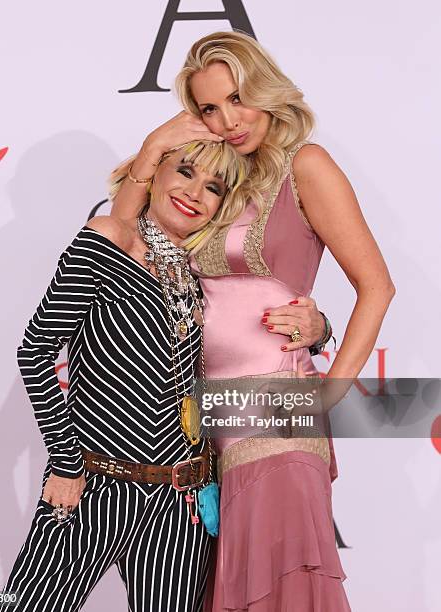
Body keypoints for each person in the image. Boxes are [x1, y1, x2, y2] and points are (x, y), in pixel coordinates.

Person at [109, 31, 395, 612]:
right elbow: (117, 243)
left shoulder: (306, 166)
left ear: (265, 88)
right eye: (209, 108)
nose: (228, 120)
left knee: (283, 584)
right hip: (203, 427)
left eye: (237, 98)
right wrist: (154, 146)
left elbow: (378, 286)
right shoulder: (210, 181)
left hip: (277, 416)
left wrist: (328, 390)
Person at [0, 140, 250, 612]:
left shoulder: (200, 275)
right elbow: (35, 350)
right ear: (153, 172)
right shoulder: (108, 238)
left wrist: (319, 329)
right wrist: (66, 464)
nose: (195, 193)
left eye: (213, 187)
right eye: (185, 171)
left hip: (181, 506)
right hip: (93, 487)